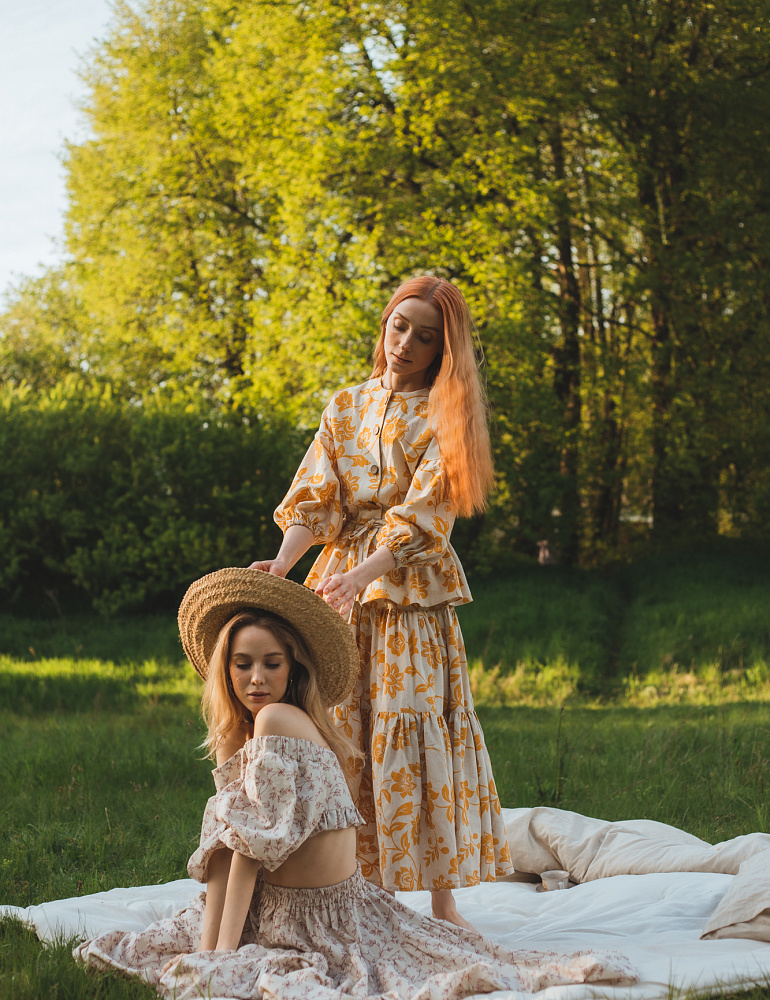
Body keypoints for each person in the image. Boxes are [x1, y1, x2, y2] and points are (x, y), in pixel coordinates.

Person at [74, 567, 636, 1000]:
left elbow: (247, 848)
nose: (256, 678)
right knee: (198, 927)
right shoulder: (246, 733)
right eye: (243, 664)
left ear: (293, 667)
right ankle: (214, 946)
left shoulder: (278, 721)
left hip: (324, 917)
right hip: (286, 907)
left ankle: (217, 950)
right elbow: (228, 852)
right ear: (226, 669)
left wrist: (218, 960)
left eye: (271, 663)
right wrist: (212, 950)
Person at [249, 275, 512, 928]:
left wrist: (361, 574)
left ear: (442, 348)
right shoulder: (345, 405)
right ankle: (346, 887)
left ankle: (443, 902)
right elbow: (318, 496)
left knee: (410, 723)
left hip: (406, 590)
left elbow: (424, 519)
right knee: (338, 725)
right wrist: (283, 564)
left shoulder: (445, 416)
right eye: (400, 326)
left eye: (426, 337)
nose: (406, 344)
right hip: (339, 582)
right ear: (386, 324)